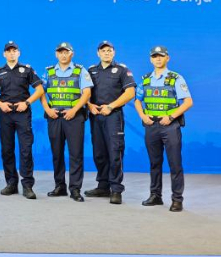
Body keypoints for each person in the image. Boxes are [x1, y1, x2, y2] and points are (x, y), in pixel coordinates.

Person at [134, 45, 193, 212]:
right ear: (150, 59)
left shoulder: (175, 78)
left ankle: (177, 199)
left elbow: (188, 102)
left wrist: (171, 117)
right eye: (154, 56)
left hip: (170, 127)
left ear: (167, 58)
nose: (158, 59)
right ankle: (155, 196)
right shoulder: (145, 79)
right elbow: (137, 100)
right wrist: (142, 116)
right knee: (154, 163)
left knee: (175, 164)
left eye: (161, 56)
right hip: (151, 125)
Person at [0, 41, 44, 199]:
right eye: (8, 51)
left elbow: (39, 89)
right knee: (7, 150)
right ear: (4, 54)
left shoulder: (26, 70)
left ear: (18, 53)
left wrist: (26, 103)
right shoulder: (0, 72)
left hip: (22, 113)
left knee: (25, 150)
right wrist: (0, 104)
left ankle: (27, 185)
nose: (11, 53)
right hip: (5, 114)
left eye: (14, 51)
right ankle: (11, 184)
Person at [84, 41, 136, 205]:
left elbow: (130, 93)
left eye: (109, 50)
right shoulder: (91, 70)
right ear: (98, 53)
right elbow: (84, 93)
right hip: (95, 115)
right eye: (103, 50)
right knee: (99, 153)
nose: (106, 53)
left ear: (113, 53)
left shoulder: (122, 70)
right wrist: (90, 105)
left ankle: (116, 189)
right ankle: (103, 186)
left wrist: (111, 106)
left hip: (113, 116)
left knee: (115, 153)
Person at [40, 42, 92, 202]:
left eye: (66, 52)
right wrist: (47, 110)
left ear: (72, 54)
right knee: (57, 153)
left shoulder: (80, 70)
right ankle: (60, 186)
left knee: (76, 154)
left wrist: (74, 110)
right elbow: (40, 92)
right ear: (56, 54)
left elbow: (87, 93)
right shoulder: (48, 71)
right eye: (60, 52)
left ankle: (75, 189)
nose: (63, 55)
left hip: (74, 117)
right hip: (54, 116)